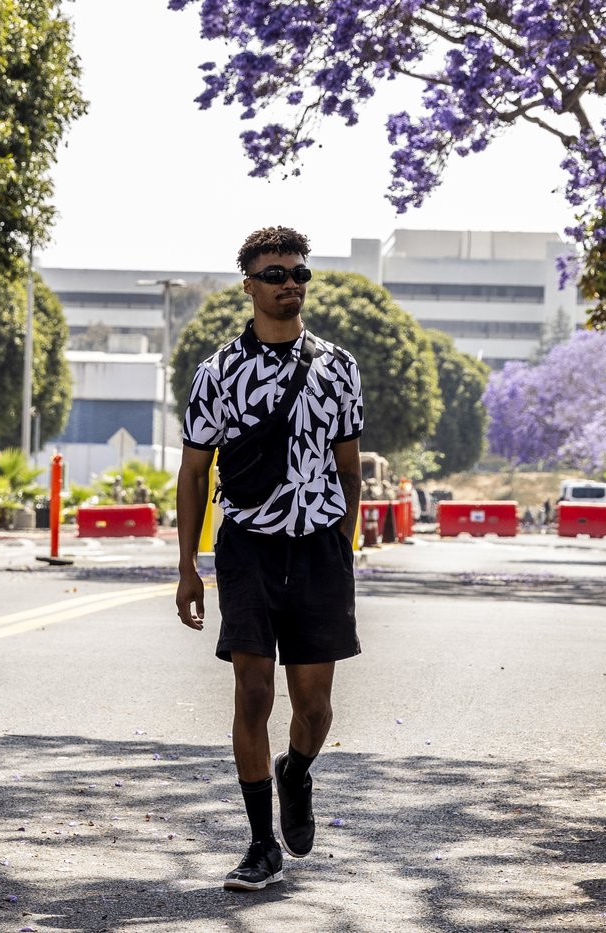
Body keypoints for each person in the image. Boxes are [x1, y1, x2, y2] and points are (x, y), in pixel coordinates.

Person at [175, 225, 363, 891]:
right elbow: (195, 473)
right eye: (275, 272)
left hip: (318, 551)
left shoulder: (338, 367)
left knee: (313, 705)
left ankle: (297, 770)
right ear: (249, 285)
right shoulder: (218, 372)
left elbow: (349, 468)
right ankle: (260, 842)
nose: (290, 282)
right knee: (252, 690)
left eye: (298, 272)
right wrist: (187, 566)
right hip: (248, 549)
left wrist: (343, 546)